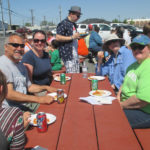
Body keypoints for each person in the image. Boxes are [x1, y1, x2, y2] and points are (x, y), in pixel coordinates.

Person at [0, 33, 56, 110]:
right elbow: (9, 94)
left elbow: (29, 87)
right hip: (11, 110)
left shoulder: (21, 65)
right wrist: (39, 99)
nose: (19, 48)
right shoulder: (2, 64)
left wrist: (46, 87)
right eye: (15, 45)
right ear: (6, 47)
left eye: (22, 46)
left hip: (25, 105)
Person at [118, 34, 150, 128]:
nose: (136, 50)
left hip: (145, 112)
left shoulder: (148, 67)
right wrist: (118, 97)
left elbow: (143, 99)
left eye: (140, 46)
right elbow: (124, 84)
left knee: (110, 118)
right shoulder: (133, 66)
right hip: (129, 106)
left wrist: (121, 105)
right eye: (134, 47)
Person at [0, 70, 30, 150]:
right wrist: (16, 126)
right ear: (1, 89)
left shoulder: (22, 67)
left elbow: (30, 86)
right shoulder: (14, 115)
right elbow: (9, 94)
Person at [56, 6, 81, 73]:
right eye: (77, 16)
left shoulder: (73, 24)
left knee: (76, 74)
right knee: (71, 74)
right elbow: (58, 37)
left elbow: (73, 36)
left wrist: (77, 37)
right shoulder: (63, 23)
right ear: (71, 14)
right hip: (68, 54)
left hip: (74, 53)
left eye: (79, 16)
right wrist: (72, 37)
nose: (78, 18)